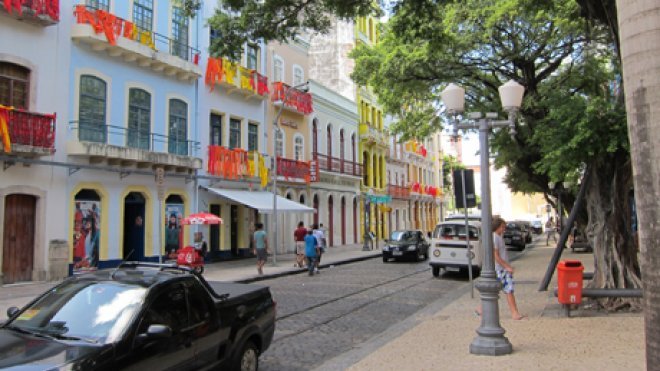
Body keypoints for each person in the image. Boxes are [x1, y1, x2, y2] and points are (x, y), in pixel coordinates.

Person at [477, 216, 525, 320]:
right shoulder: (495, 238)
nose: (504, 229)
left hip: (500, 268)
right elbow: (496, 255)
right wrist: (507, 267)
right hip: (501, 269)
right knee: (508, 290)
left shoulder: (497, 237)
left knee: (494, 290)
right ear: (497, 227)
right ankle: (514, 313)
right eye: (502, 227)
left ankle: (481, 309)